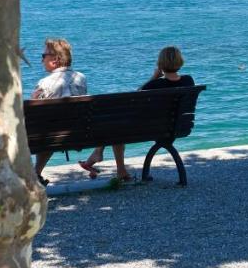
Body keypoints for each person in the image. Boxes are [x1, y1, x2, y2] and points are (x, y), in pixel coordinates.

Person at [81, 46, 193, 182]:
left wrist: (153, 78)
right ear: (180, 61)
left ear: (160, 64)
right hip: (176, 128)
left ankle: (105, 158)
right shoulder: (188, 81)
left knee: (115, 124)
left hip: (149, 130)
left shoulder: (155, 85)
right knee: (117, 124)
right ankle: (102, 156)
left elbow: (135, 97)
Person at [29, 38, 88, 183]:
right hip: (81, 133)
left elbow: (34, 114)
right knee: (51, 126)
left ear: (55, 60)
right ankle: (35, 173)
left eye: (43, 56)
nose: (41, 60)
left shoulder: (44, 83)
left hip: (50, 136)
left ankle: (34, 174)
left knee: (45, 128)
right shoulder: (81, 78)